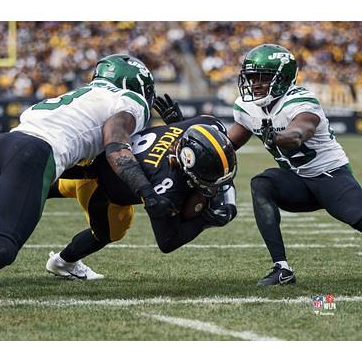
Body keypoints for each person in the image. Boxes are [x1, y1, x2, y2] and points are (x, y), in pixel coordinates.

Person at [0, 54, 178, 283]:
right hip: (33, 154)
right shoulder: (130, 101)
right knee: (4, 247)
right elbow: (116, 147)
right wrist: (148, 194)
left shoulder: (85, 95)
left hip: (0, 145)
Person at [45, 104, 238, 280]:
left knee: (46, 187)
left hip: (96, 159)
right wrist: (206, 220)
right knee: (111, 231)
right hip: (99, 187)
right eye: (207, 174)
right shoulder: (166, 182)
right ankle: (63, 263)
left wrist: (177, 124)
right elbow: (167, 241)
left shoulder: (207, 126)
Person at [227, 43, 362, 286]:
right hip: (296, 181)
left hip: (330, 177)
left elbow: (299, 133)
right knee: (262, 183)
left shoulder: (300, 101)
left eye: (263, 77)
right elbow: (226, 146)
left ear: (283, 79)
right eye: (251, 77)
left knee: (358, 218)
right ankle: (282, 268)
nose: (255, 83)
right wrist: (190, 134)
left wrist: (277, 138)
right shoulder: (247, 107)